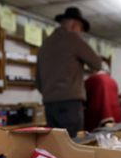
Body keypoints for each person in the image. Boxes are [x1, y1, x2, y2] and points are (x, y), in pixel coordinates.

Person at [36, 7, 102, 137]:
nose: (81, 33)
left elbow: (38, 81)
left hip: (49, 105)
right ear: (74, 25)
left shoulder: (45, 44)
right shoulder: (73, 39)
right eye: (80, 29)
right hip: (70, 105)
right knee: (73, 146)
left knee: (56, 146)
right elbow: (97, 64)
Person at [84, 63, 121, 131]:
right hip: (114, 115)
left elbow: (84, 97)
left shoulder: (92, 79)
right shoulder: (112, 80)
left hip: (98, 115)